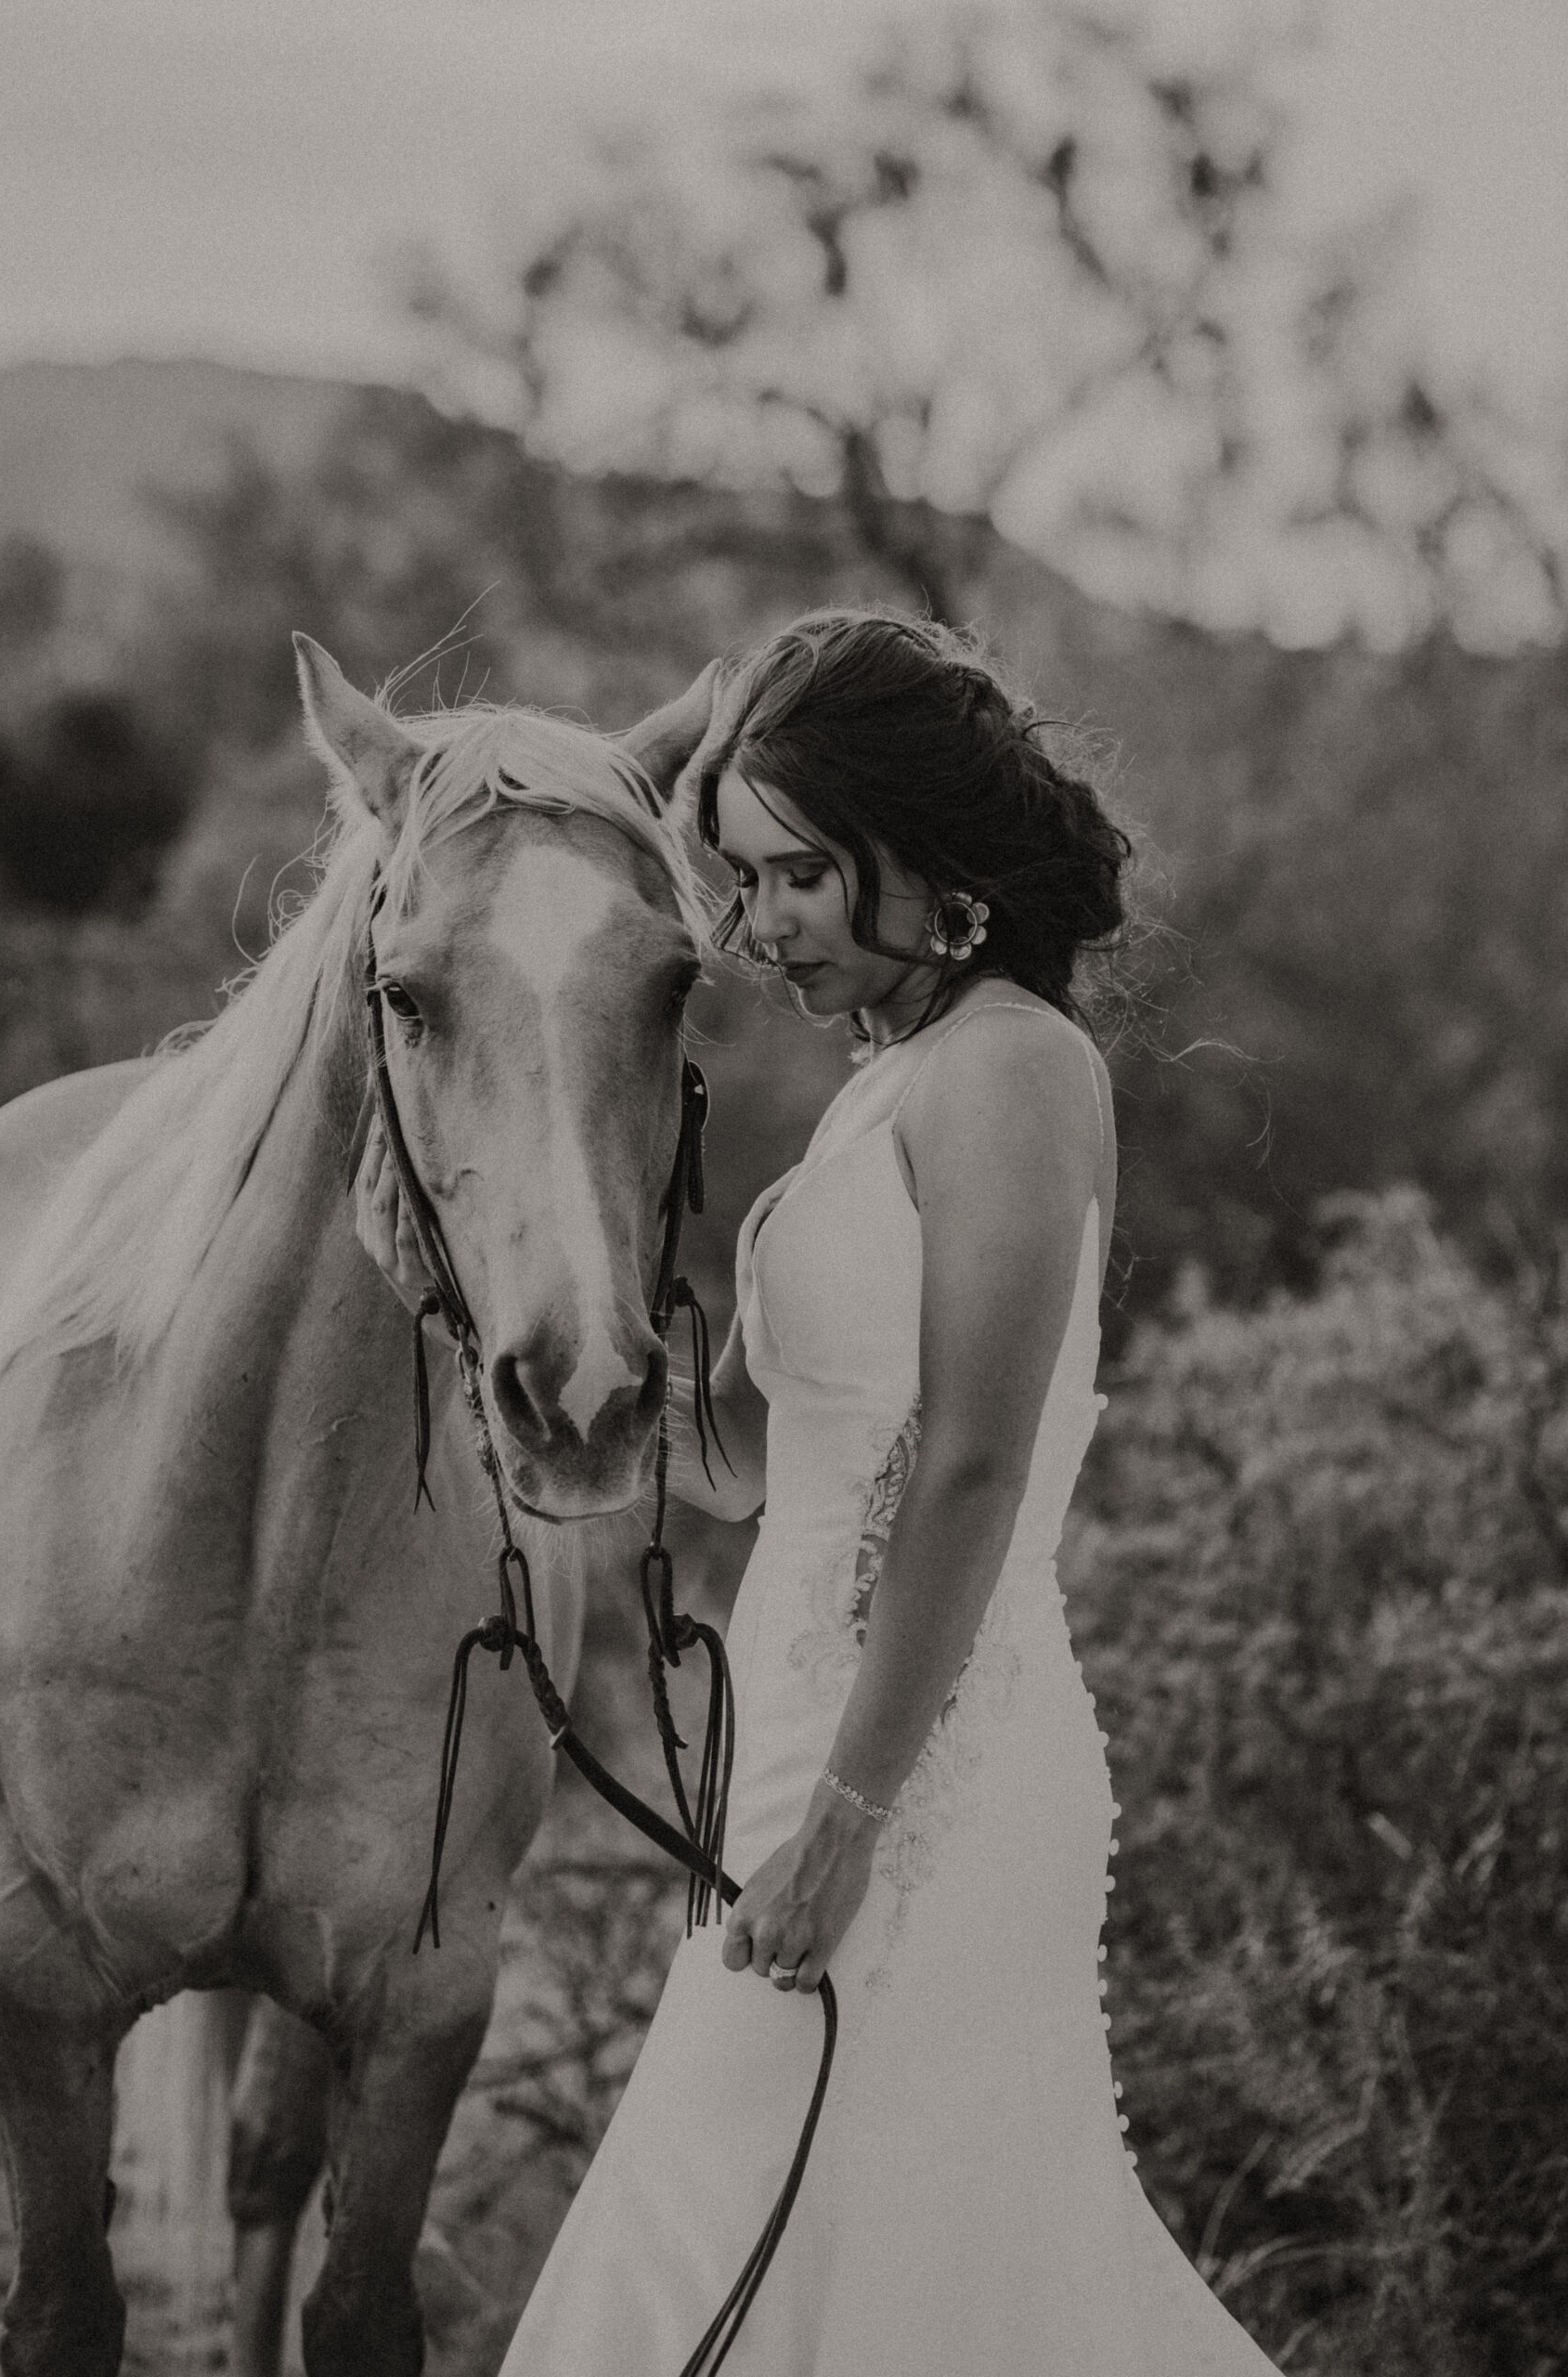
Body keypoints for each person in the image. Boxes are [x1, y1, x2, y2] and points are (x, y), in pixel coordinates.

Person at [361, 608, 1281, 2373]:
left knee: (721, 2260)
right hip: (810, 1755)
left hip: (918, 1787)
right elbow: (774, 1453)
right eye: (740, 877)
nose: (752, 927)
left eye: (792, 879)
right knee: (898, 2292)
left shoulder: (1013, 1070)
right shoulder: (893, 1086)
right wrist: (567, 1396)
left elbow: (973, 1460)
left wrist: (853, 1822)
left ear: (923, 859)